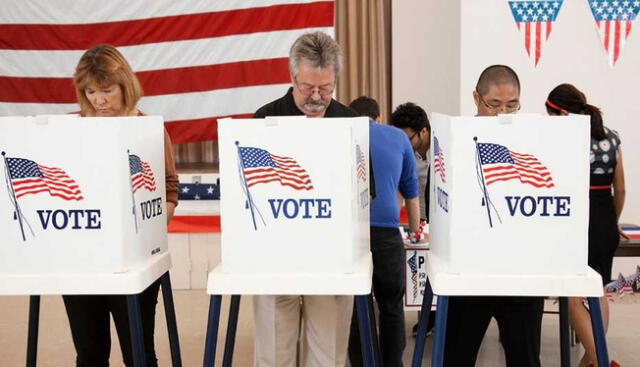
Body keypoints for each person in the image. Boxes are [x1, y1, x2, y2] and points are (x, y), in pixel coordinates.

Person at [253, 31, 374, 367]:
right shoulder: (265, 119)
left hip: (333, 260)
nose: (317, 97)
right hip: (276, 259)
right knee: (274, 355)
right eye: (308, 88)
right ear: (292, 77)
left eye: (326, 88)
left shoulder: (351, 122)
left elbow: (367, 193)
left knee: (328, 356)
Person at [62, 44, 179, 367]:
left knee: (139, 355)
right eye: (90, 91)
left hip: (136, 261)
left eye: (106, 90)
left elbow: (170, 192)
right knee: (89, 355)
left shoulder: (149, 128)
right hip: (82, 260)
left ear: (125, 86)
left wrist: (149, 229)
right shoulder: (70, 130)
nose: (99, 100)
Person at [443, 65, 544, 367]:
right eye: (495, 105)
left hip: (520, 270)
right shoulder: (454, 139)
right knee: (457, 356)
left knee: (525, 357)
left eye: (512, 105)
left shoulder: (534, 140)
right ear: (476, 99)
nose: (503, 113)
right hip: (470, 270)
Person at [546, 83, 626, 367]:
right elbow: (621, 189)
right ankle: (590, 361)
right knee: (599, 290)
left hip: (577, 220)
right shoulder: (611, 138)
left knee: (573, 294)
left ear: (561, 113)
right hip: (605, 217)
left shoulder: (563, 140)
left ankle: (598, 359)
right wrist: (613, 222)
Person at [347, 97, 421, 366]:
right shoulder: (398, 138)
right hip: (387, 235)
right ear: (378, 117)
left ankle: (361, 362)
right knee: (391, 307)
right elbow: (411, 192)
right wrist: (414, 232)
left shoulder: (345, 136)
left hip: (351, 234)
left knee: (358, 307)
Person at [389, 102, 434, 337]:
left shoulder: (443, 150)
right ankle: (426, 318)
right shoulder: (404, 152)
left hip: (441, 218)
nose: (402, 144)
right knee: (420, 271)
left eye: (408, 138)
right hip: (419, 218)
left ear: (423, 132)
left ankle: (434, 318)